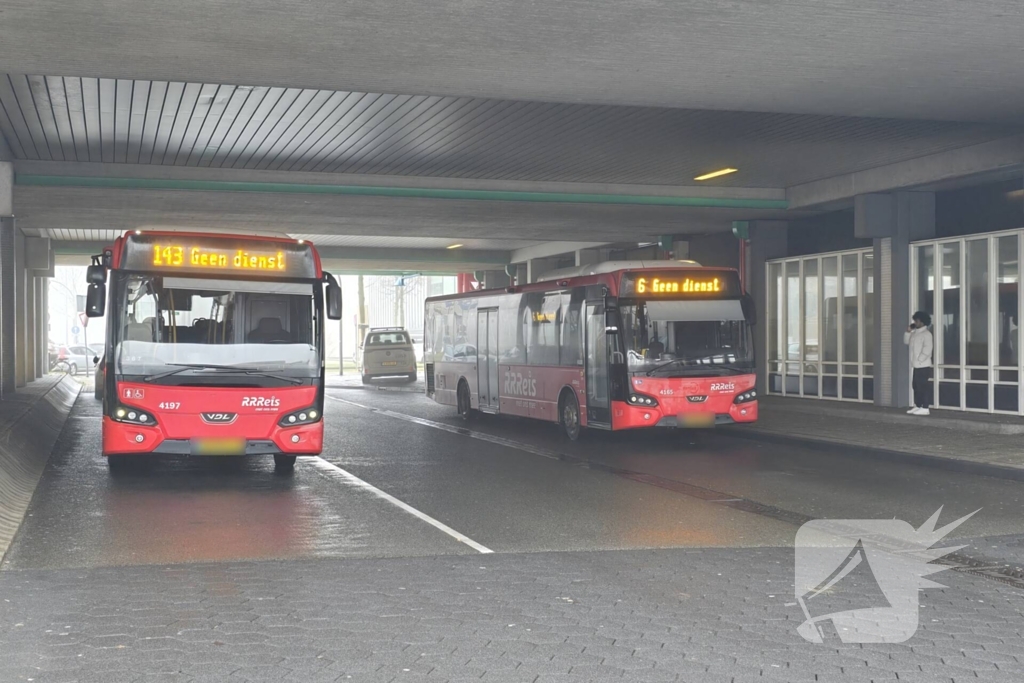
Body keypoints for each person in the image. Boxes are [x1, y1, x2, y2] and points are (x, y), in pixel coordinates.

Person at [904, 311, 933, 415]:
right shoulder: (915, 333)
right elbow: (906, 342)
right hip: (916, 365)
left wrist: (920, 359)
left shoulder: (926, 334)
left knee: (922, 386)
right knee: (915, 385)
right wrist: (908, 332)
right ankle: (918, 405)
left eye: (917, 321)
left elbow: (927, 349)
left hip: (923, 365)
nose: (915, 323)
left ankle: (925, 407)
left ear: (922, 322)